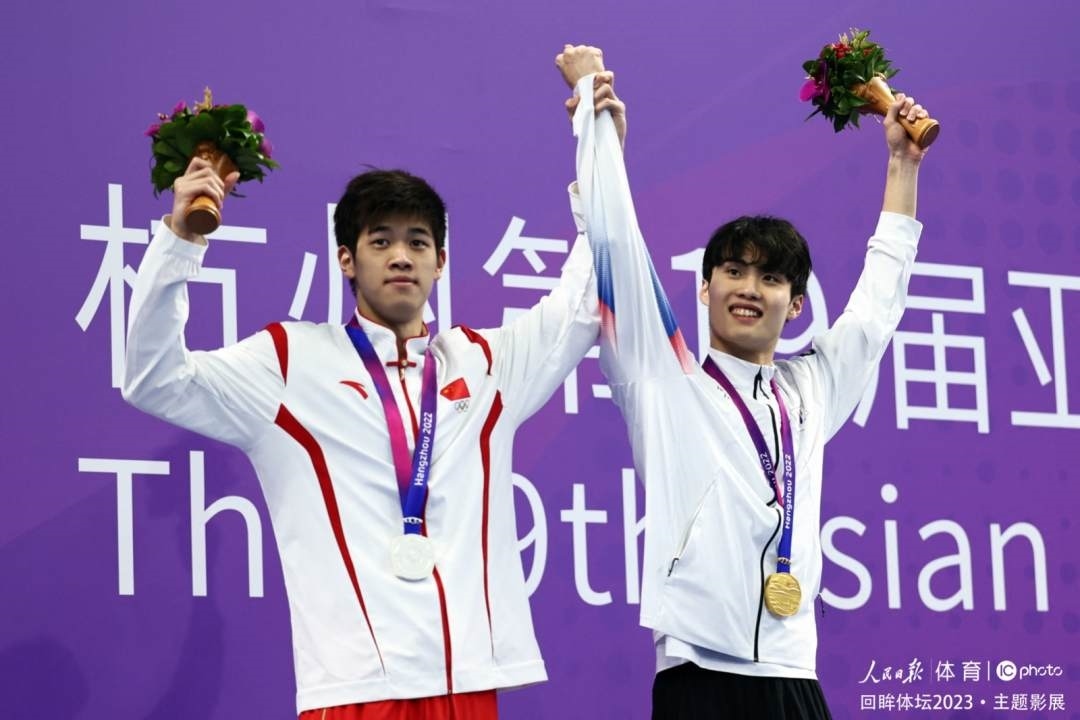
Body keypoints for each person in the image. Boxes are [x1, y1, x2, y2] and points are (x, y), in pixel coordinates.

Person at [122, 96, 623, 716]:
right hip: (357, 692)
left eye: (418, 241)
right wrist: (180, 241)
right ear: (346, 260)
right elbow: (154, 378)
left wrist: (601, 155)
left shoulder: (485, 364)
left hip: (469, 684)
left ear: (441, 262)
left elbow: (580, 301)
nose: (401, 256)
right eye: (380, 240)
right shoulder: (290, 362)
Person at [556, 44, 929, 718]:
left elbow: (878, 304)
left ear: (798, 304)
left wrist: (903, 165)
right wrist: (596, 130)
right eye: (732, 271)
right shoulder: (662, 381)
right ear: (704, 288)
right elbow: (617, 249)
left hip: (794, 676)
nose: (749, 288)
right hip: (698, 673)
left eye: (771, 277)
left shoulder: (811, 389)